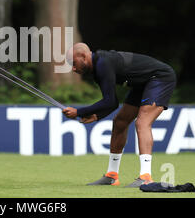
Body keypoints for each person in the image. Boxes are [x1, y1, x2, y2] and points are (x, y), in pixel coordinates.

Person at [62, 43, 176, 187]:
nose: (73, 68)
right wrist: (97, 116)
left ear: (84, 56)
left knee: (142, 123)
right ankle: (112, 176)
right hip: (142, 83)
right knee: (120, 122)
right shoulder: (97, 67)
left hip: (160, 78)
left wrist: (78, 112)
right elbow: (112, 102)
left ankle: (146, 177)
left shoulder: (103, 63)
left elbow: (109, 101)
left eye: (73, 63)